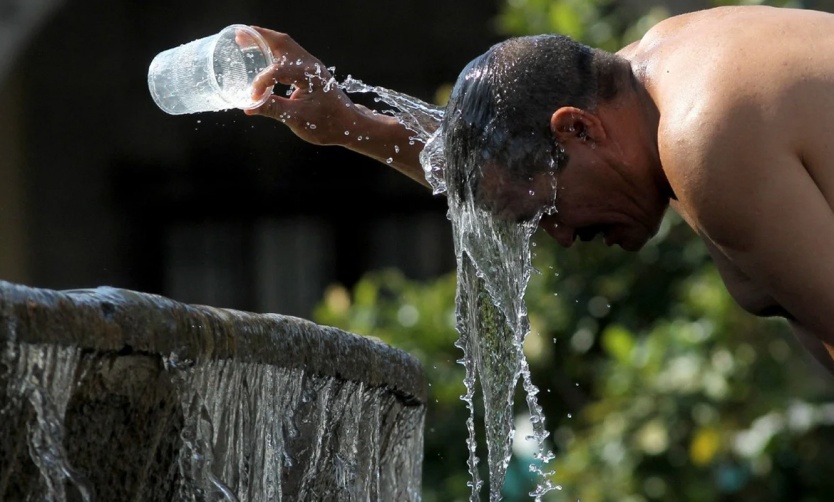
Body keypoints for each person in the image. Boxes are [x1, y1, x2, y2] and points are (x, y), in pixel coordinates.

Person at [243, 5, 834, 375]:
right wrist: (351, 124)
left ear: (577, 127)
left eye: (548, 209)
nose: (562, 234)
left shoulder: (705, 142)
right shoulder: (651, 75)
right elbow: (499, 165)